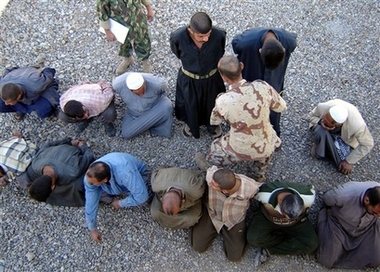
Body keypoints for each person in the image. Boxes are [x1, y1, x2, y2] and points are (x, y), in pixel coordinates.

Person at [203, 55, 287, 182]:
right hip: (266, 143)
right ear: (241, 66)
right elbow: (281, 107)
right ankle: (260, 173)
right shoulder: (262, 87)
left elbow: (215, 121)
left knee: (213, 150)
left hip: (240, 147)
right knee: (266, 147)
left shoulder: (223, 101)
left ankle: (212, 168)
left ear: (223, 77)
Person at [170, 12, 226, 139]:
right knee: (190, 103)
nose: (206, 39)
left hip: (212, 78)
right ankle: (191, 124)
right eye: (201, 36)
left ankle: (213, 125)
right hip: (189, 79)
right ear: (190, 31)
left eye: (208, 35)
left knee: (213, 103)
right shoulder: (178, 37)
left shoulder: (219, 35)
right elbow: (177, 53)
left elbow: (220, 51)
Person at [232, 28, 297, 136]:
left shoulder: (289, 40)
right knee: (250, 107)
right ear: (260, 51)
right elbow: (236, 43)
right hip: (253, 80)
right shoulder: (246, 42)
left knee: (273, 110)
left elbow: (235, 44)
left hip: (273, 85)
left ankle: (272, 134)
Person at [190, 164, 261, 261]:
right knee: (198, 247)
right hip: (213, 214)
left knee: (234, 257)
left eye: (214, 185)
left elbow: (261, 191)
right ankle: (214, 229)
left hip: (234, 220)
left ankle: (234, 234)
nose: (210, 183)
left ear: (224, 191)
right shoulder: (212, 176)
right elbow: (208, 168)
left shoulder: (250, 188)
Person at [84, 152, 152, 242]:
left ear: (104, 180)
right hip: (113, 184)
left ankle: (118, 197)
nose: (89, 184)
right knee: (93, 195)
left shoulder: (125, 173)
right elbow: (90, 202)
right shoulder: (90, 177)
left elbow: (142, 196)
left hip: (138, 175)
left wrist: (120, 203)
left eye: (92, 183)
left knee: (145, 200)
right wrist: (92, 228)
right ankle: (116, 196)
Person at [247, 181, 318, 263]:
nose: (287, 219)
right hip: (268, 219)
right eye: (285, 215)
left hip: (296, 223)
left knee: (311, 244)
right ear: (280, 202)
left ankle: (270, 250)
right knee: (253, 239)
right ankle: (289, 240)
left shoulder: (308, 196)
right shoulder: (264, 194)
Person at [317, 181, 380, 269]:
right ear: (367, 200)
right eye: (374, 213)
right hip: (339, 226)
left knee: (376, 259)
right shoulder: (343, 195)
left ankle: (344, 252)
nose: (377, 216)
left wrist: (373, 215)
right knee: (326, 260)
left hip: (365, 228)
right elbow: (326, 198)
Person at [308, 99, 373, 175]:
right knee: (320, 131)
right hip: (322, 130)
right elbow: (310, 116)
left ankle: (325, 146)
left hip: (346, 139)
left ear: (339, 125)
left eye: (327, 122)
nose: (324, 121)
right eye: (325, 118)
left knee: (342, 166)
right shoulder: (323, 107)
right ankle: (320, 148)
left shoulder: (357, 125)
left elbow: (368, 144)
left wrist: (349, 161)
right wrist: (320, 122)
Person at [23, 138, 94, 207]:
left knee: (77, 184)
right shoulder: (36, 164)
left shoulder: (72, 171)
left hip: (72, 156)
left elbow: (89, 156)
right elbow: (49, 144)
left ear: (53, 187)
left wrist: (82, 145)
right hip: (65, 148)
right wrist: (70, 142)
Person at [97, 0, 154, 74]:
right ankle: (127, 59)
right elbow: (102, 11)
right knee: (123, 43)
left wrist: (149, 8)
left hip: (138, 19)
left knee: (143, 39)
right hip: (120, 23)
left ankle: (145, 61)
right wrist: (107, 31)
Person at [112, 72, 173, 139]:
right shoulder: (117, 84)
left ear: (144, 83)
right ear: (130, 90)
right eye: (138, 94)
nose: (141, 95)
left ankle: (144, 124)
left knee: (167, 105)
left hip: (153, 108)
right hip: (134, 113)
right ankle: (153, 122)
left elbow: (164, 90)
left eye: (143, 91)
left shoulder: (156, 83)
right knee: (126, 133)